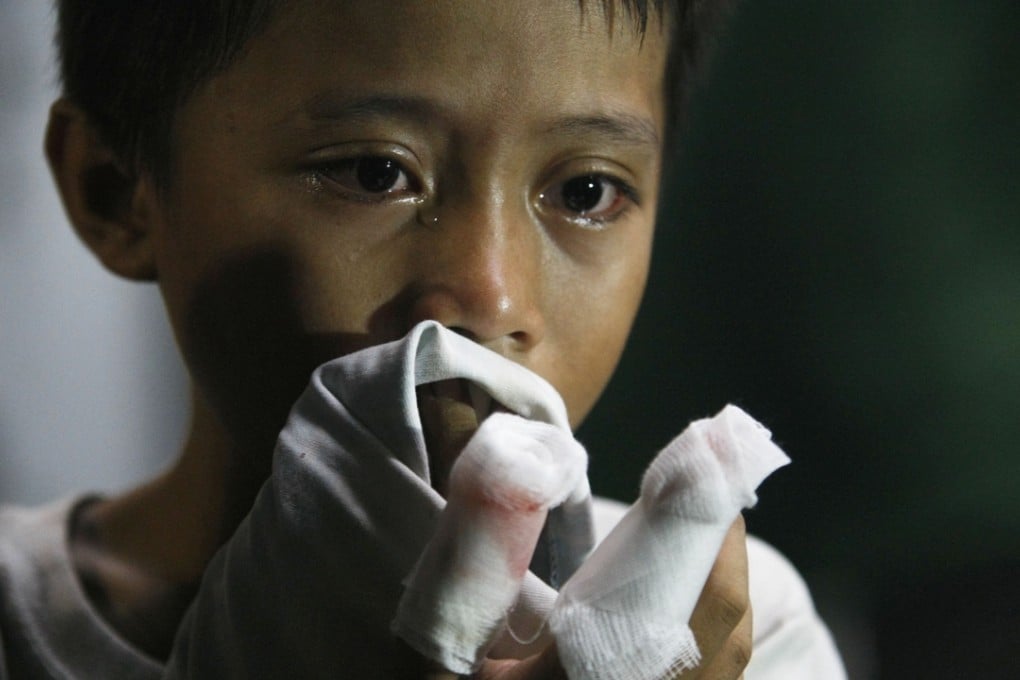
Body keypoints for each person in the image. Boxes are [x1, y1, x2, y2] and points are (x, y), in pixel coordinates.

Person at [0, 1, 845, 678]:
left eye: (586, 190)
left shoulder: (733, 638)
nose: (489, 293)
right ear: (116, 192)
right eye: (375, 173)